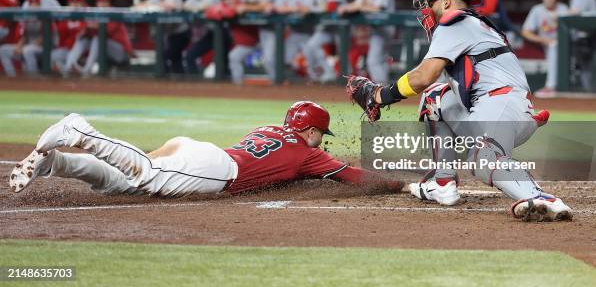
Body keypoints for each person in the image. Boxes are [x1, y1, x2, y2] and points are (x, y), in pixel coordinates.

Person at [346, 0, 572, 222]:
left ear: (445, 3)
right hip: (494, 107)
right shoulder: (472, 25)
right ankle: (441, 181)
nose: (426, 14)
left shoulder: (455, 21)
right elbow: (432, 83)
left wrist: (381, 95)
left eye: (430, 5)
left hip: (501, 105)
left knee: (481, 157)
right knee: (435, 99)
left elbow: (424, 75)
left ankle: (540, 198)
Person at [10, 102, 405, 197]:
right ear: (314, 131)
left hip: (201, 152)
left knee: (123, 184)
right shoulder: (309, 152)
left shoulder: (268, 128)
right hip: (217, 170)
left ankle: (56, 163)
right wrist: (399, 185)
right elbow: (354, 176)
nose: (322, 140)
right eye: (322, 133)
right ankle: (82, 131)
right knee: (144, 174)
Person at [339, 0, 395, 83]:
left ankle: (381, 87)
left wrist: (360, 6)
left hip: (386, 26)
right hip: (374, 28)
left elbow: (378, 8)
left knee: (374, 60)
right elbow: (358, 3)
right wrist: (347, 6)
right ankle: (385, 88)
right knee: (380, 59)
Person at [61, 0, 132, 78]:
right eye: (100, 1)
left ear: (109, 3)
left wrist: (92, 26)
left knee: (98, 39)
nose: (102, 4)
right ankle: (68, 67)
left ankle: (87, 71)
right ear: (97, 3)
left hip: (122, 54)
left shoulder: (114, 13)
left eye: (105, 1)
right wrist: (87, 28)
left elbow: (106, 31)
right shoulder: (95, 14)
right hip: (106, 51)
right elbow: (89, 31)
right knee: (83, 38)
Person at [230, 0, 276, 84]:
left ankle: (277, 85)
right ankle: (238, 89)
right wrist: (255, 5)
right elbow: (242, 4)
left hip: (270, 27)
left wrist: (248, 7)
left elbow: (265, 5)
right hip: (252, 31)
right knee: (234, 56)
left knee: (269, 60)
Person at [521, 0, 568, 98]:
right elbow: (525, 32)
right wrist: (542, 39)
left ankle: (550, 86)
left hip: (566, 47)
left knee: (554, 44)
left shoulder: (564, 9)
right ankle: (552, 86)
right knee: (552, 44)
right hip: (548, 46)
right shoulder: (537, 10)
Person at [303, 0, 345, 82]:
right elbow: (305, 8)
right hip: (326, 27)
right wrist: (317, 7)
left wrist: (313, 8)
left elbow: (331, 6)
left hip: (341, 26)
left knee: (343, 53)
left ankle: (350, 80)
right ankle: (329, 72)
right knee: (311, 46)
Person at [135, 0, 185, 73]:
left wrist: (159, 5)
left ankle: (165, 76)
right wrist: (153, 5)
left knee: (166, 56)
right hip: (168, 33)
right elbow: (140, 5)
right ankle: (178, 78)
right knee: (174, 58)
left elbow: (175, 6)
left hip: (181, 32)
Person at [272, 0, 314, 72]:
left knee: (311, 61)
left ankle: (317, 84)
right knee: (287, 59)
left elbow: (305, 10)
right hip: (294, 32)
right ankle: (292, 84)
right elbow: (276, 8)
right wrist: (295, 8)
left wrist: (287, 8)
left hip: (309, 32)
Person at [183, 0, 222, 75]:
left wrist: (194, 9)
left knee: (223, 59)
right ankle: (194, 80)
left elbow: (207, 6)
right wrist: (195, 8)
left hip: (220, 32)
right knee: (190, 56)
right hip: (207, 34)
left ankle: (227, 84)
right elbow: (184, 6)